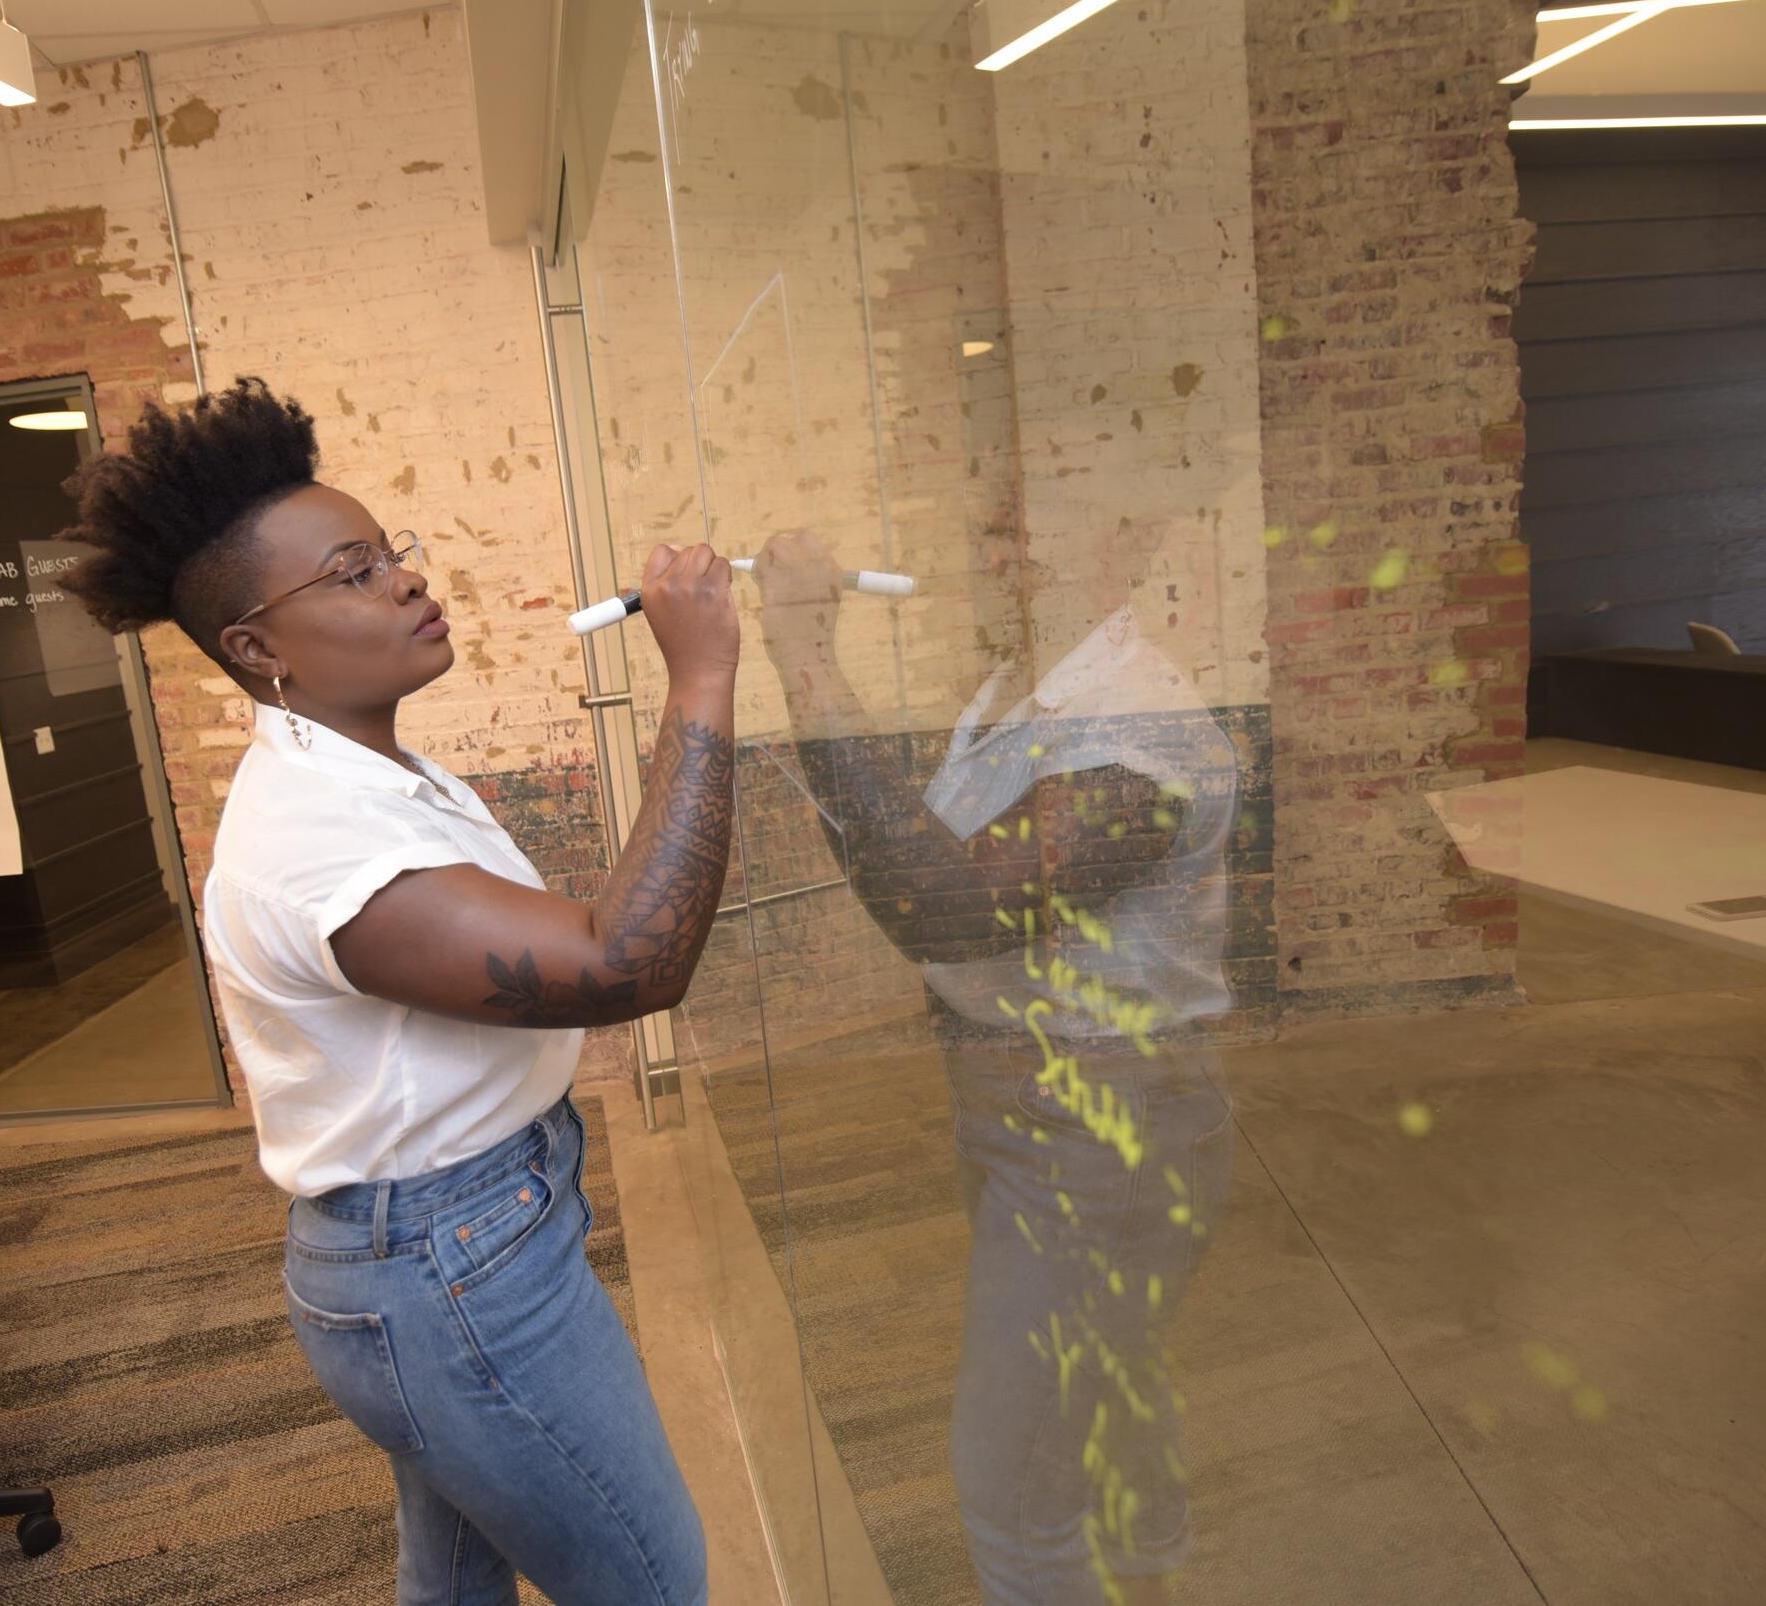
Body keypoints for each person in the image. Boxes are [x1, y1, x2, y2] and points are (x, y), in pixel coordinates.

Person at [60, 378, 732, 1606]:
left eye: (391, 554)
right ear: (257, 649)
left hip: (452, 1239)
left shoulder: (366, 771)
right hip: (448, 1267)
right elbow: (632, 960)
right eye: (354, 571)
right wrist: (698, 677)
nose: (407, 582)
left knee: (458, 1582)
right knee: (654, 1579)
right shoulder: (322, 837)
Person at [755, 527, 1239, 1606]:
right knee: (1106, 1387)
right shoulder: (1028, 694)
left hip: (1102, 1124)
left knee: (1011, 1485)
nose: (991, 560)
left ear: (1104, 562)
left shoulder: (1133, 724)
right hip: (1031, 1105)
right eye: (990, 535)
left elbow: (949, 906)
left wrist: (804, 652)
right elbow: (907, 870)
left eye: (1025, 541)